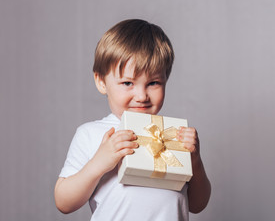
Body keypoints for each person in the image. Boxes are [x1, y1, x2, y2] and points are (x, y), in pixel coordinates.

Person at [54, 19, 211, 220]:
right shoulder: (92, 134)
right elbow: (63, 202)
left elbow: (198, 204)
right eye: (128, 82)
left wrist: (195, 161)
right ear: (101, 82)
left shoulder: (172, 135)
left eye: (153, 83)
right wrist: (99, 163)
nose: (141, 96)